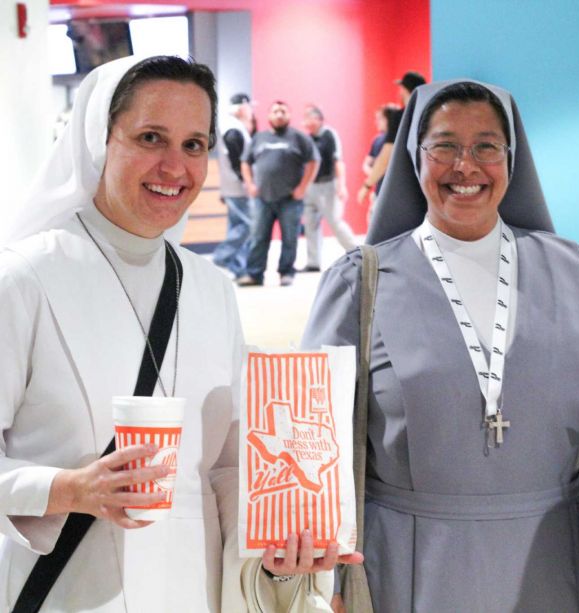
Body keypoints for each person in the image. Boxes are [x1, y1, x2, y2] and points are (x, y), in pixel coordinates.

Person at [0, 55, 357, 612]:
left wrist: (282, 543)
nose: (175, 166)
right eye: (150, 137)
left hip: (195, 591)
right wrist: (68, 490)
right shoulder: (24, 278)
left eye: (194, 144)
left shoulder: (210, 287)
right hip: (73, 593)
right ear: (99, 140)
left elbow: (227, 465)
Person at [301, 80, 579, 611]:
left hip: (549, 559)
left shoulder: (574, 270)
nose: (465, 166)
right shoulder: (361, 281)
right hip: (407, 564)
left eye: (487, 147)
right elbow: (314, 437)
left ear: (511, 158)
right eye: (445, 145)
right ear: (415, 156)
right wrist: (331, 577)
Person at [237, 101, 318, 287]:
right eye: (275, 111)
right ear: (269, 116)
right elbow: (245, 162)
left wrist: (302, 188)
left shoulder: (299, 138)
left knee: (290, 238)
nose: (279, 114)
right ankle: (255, 274)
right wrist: (249, 184)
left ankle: (286, 273)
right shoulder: (259, 138)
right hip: (262, 199)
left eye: (283, 111)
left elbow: (314, 161)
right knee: (258, 237)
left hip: (290, 199)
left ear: (289, 115)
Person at [356, 70, 427, 208]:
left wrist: (367, 185)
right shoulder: (431, 113)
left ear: (405, 90)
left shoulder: (401, 117)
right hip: (428, 185)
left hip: (404, 188)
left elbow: (387, 154)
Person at [300, 104, 357, 272]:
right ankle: (313, 262)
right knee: (310, 224)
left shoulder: (329, 135)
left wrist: (342, 185)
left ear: (318, 119)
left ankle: (356, 253)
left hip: (328, 185)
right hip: (311, 186)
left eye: (308, 118)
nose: (305, 122)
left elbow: (337, 161)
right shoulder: (307, 139)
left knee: (335, 222)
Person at [212, 92, 253, 279]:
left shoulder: (231, 126)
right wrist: (246, 181)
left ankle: (238, 268)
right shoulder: (234, 128)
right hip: (238, 186)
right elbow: (237, 160)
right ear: (242, 107)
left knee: (237, 226)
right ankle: (222, 256)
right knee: (249, 225)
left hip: (232, 185)